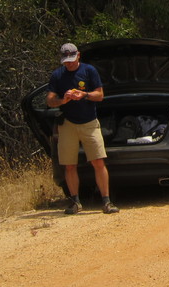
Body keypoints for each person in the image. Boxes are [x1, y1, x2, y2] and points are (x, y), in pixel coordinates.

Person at [46, 43, 119, 214]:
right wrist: (62, 100)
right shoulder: (57, 75)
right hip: (68, 125)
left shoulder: (89, 71)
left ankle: (106, 202)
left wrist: (84, 95)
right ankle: (75, 202)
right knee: (69, 165)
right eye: (66, 61)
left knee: (98, 161)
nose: (69, 64)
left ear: (78, 55)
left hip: (89, 123)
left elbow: (100, 95)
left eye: (71, 59)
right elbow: (49, 100)